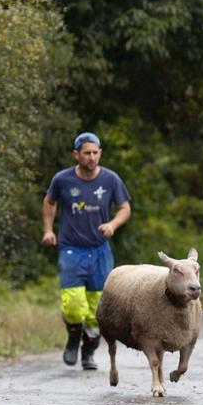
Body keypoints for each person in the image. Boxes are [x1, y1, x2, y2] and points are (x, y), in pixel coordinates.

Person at [42, 132, 131, 370]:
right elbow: (49, 202)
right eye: (86, 153)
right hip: (71, 249)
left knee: (98, 308)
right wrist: (48, 230)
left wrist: (113, 224)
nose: (91, 157)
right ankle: (73, 336)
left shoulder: (111, 179)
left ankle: (89, 352)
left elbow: (124, 207)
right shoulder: (63, 179)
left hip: (100, 250)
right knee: (72, 304)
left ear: (100, 153)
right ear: (77, 155)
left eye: (95, 153)